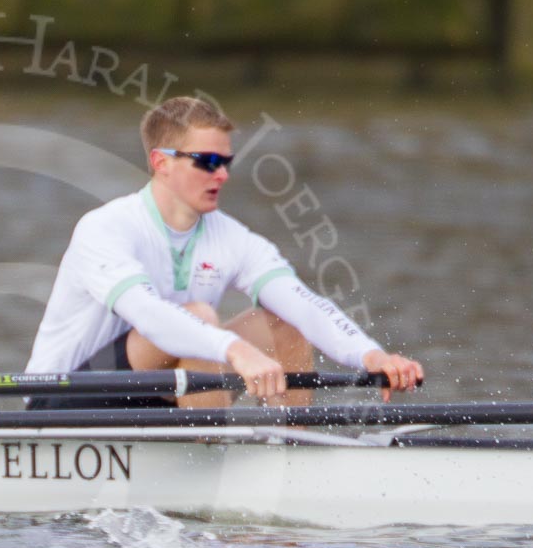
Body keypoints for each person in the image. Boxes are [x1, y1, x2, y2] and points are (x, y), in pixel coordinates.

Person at [25, 96, 423, 409]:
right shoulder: (106, 227)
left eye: (226, 162)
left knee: (285, 324)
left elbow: (306, 305)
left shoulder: (233, 238)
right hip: (65, 398)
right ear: (161, 162)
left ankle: (291, 459)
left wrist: (371, 356)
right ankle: (210, 454)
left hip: (163, 394)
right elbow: (149, 315)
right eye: (208, 162)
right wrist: (236, 350)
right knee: (199, 319)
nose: (222, 174)